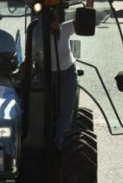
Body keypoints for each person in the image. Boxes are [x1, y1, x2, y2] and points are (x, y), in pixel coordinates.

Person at [31, 11, 78, 149]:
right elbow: (32, 55)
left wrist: (90, 1)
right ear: (45, 24)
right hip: (45, 75)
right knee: (37, 107)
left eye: (57, 20)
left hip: (68, 75)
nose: (57, 24)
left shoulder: (65, 29)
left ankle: (59, 146)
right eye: (53, 21)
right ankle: (36, 142)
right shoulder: (38, 37)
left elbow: (83, 21)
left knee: (65, 112)